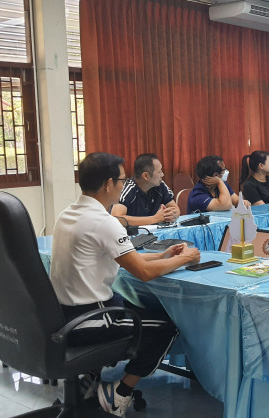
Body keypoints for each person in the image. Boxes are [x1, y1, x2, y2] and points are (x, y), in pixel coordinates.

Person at [50, 152, 200, 417]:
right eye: (121, 180)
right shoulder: (104, 222)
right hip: (91, 318)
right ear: (108, 184)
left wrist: (164, 255)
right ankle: (119, 393)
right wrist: (186, 258)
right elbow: (143, 272)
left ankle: (89, 379)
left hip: (64, 314)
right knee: (166, 326)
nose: (124, 185)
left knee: (130, 305)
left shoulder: (67, 214)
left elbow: (122, 256)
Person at [111, 153, 180, 226]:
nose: (162, 174)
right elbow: (117, 218)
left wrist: (173, 215)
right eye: (159, 172)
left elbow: (175, 208)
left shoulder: (160, 185)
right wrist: (154, 219)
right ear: (146, 176)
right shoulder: (127, 189)